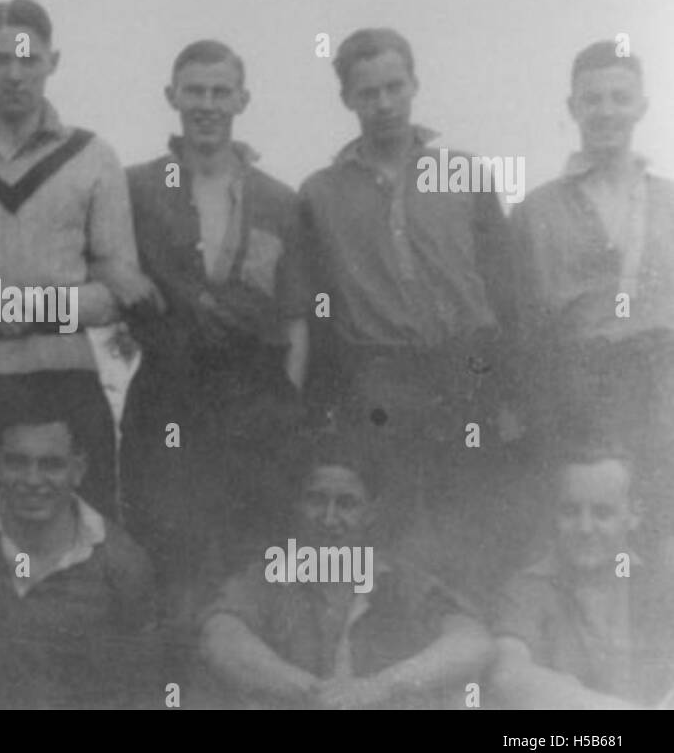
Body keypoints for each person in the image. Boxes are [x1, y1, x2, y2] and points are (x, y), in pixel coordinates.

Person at [0, 0, 162, 519]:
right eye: (1, 59)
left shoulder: (93, 156)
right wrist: (46, 302)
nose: (15, 75)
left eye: (29, 59)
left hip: (64, 379)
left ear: (53, 62)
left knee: (77, 539)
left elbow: (113, 295)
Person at [297, 27, 522, 589]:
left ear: (415, 84)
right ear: (347, 98)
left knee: (474, 510)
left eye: (394, 87)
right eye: (368, 92)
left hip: (469, 369)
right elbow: (321, 308)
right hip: (382, 378)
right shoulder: (321, 192)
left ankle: (473, 632)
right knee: (392, 518)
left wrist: (511, 391)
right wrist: (328, 403)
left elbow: (506, 290)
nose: (384, 104)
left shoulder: (462, 172)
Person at [121, 39, 309, 623]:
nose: (207, 105)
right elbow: (102, 265)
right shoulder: (136, 187)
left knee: (250, 551)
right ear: (172, 96)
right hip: (168, 391)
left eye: (220, 92)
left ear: (242, 100)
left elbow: (296, 315)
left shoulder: (278, 199)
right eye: (195, 91)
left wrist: (286, 400)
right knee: (166, 545)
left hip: (253, 399)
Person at [511, 42, 674, 564]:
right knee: (578, 531)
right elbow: (523, 323)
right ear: (573, 108)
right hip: (574, 391)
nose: (606, 111)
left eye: (620, 98)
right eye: (592, 99)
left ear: (642, 107)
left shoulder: (669, 200)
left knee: (657, 528)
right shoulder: (536, 210)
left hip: (660, 391)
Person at [196, 432, 492, 709]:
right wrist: (310, 691)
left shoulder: (397, 579)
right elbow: (220, 637)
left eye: (346, 504)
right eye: (316, 500)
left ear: (371, 513)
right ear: (298, 505)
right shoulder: (269, 577)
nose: (329, 519)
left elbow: (472, 641)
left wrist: (380, 687)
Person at [0, 402, 158, 709]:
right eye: (17, 463)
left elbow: (141, 687)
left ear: (78, 470)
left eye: (51, 465)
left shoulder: (122, 563)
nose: (32, 480)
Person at [491, 446, 674, 709]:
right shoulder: (528, 590)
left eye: (602, 513)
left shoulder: (659, 588)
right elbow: (508, 676)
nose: (585, 528)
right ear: (554, 514)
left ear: (634, 516)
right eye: (570, 511)